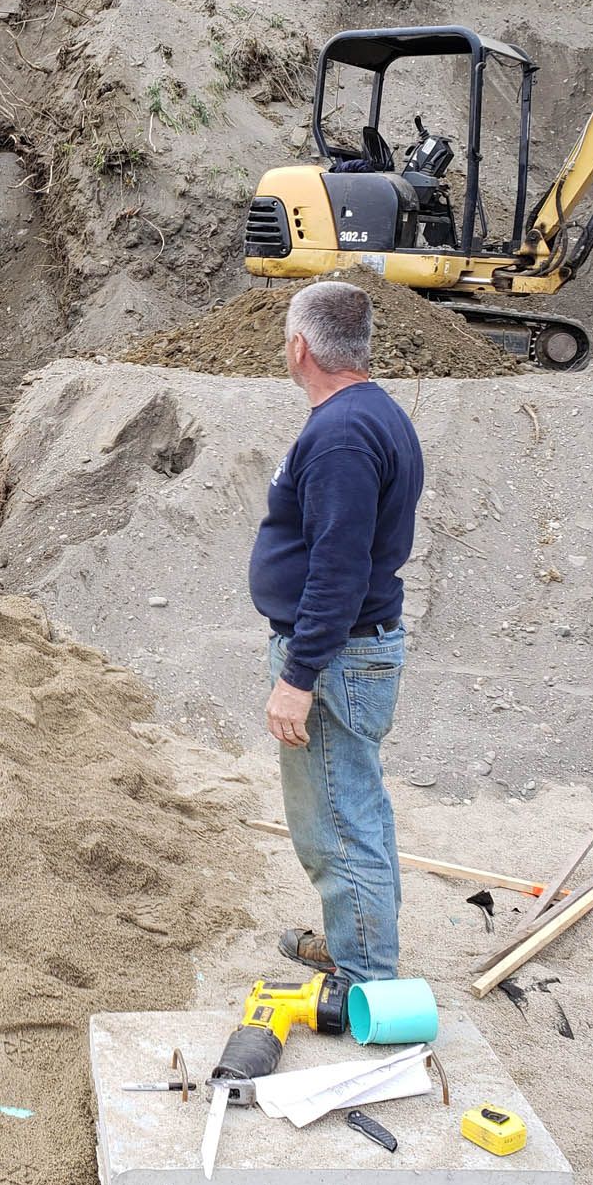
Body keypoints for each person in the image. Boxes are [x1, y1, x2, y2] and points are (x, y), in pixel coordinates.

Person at [248, 281, 424, 983]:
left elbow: (338, 568)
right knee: (353, 803)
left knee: (337, 821)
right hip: (352, 649)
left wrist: (297, 677)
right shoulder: (372, 414)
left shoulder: (343, 434)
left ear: (301, 346)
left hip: (335, 658)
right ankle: (358, 944)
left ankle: (364, 975)